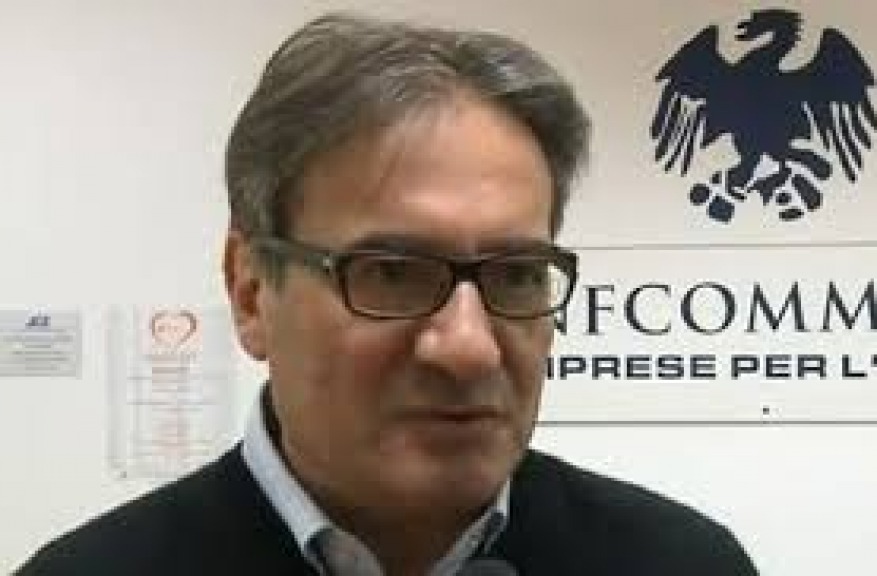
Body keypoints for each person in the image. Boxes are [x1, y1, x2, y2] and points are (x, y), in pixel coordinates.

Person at [16, 12, 759, 576]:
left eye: (515, 274)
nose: (469, 348)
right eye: (393, 272)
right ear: (250, 292)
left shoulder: (683, 563)